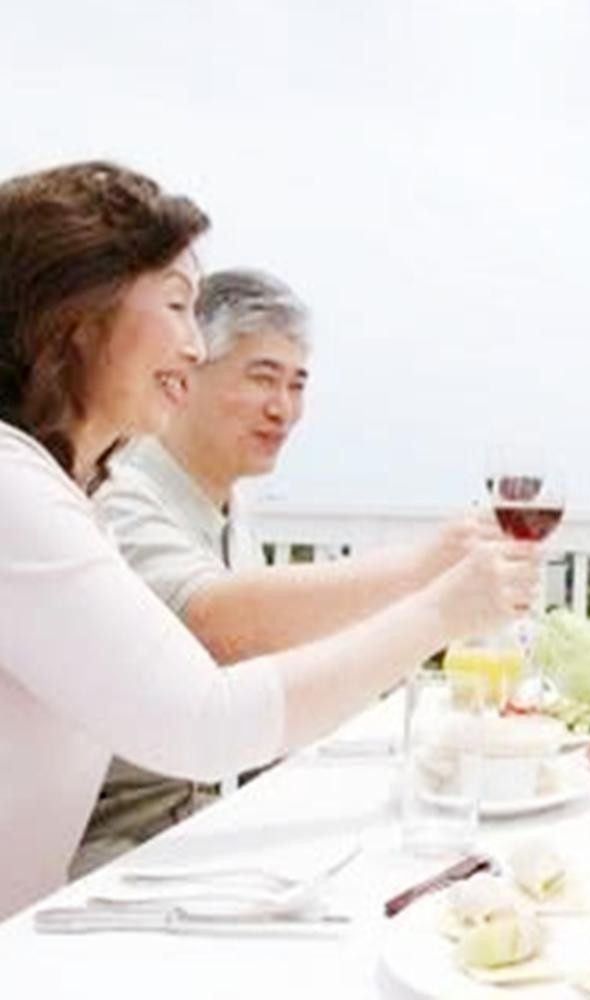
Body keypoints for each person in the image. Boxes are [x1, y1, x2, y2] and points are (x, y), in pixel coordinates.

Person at [0, 160, 538, 920]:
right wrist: (440, 608)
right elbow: (203, 720)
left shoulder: (62, 488)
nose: (192, 348)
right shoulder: (15, 490)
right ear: (78, 316)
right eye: (178, 306)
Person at [72, 268, 503, 874]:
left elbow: (282, 647)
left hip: (210, 819)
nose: (283, 409)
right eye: (262, 378)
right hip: (119, 847)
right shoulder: (121, 492)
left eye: (297, 385)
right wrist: (424, 573)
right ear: (186, 374)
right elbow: (216, 629)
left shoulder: (232, 512)